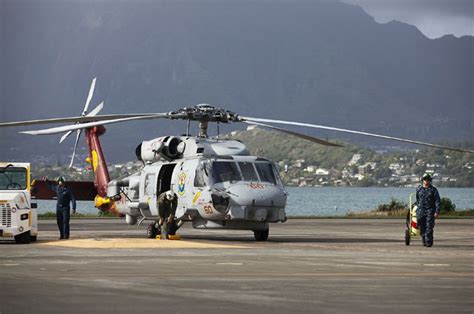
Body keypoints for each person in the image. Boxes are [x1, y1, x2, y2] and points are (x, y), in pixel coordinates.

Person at [416, 173, 441, 247]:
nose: (426, 181)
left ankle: (428, 241)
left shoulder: (433, 190)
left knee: (429, 226)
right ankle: (424, 238)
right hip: (421, 210)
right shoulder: (419, 189)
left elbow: (437, 201)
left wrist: (437, 211)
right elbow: (418, 199)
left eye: (428, 179)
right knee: (421, 226)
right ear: (422, 180)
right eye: (425, 179)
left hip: (430, 210)